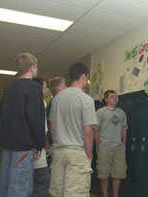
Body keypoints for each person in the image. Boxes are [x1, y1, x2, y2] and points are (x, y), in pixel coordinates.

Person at [0, 53, 45, 197]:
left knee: (4, 185)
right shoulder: (34, 88)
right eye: (36, 66)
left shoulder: (9, 87)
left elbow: (0, 116)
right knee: (19, 188)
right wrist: (39, 144)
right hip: (23, 147)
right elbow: (36, 118)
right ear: (32, 67)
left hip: (7, 146)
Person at [49, 62, 97, 197]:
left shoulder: (57, 99)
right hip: (77, 153)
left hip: (58, 152)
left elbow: (52, 126)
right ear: (83, 76)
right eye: (87, 77)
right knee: (76, 193)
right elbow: (88, 131)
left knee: (57, 193)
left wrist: (57, 145)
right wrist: (88, 156)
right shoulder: (86, 99)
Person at [94, 90, 128, 197]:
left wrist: (124, 144)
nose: (115, 98)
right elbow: (95, 130)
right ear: (106, 99)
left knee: (118, 173)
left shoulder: (121, 113)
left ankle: (115, 195)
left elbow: (124, 129)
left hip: (118, 148)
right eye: (112, 96)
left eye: (115, 96)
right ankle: (105, 195)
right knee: (103, 174)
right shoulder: (100, 112)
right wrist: (99, 145)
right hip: (104, 147)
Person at [31, 78, 50, 197]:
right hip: (38, 153)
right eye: (46, 86)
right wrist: (48, 148)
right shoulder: (41, 102)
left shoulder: (29, 101)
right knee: (42, 183)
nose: (48, 89)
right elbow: (41, 130)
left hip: (26, 152)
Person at [45, 77, 67, 145]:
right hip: (55, 142)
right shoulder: (54, 104)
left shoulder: (56, 102)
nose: (67, 87)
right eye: (65, 85)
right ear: (58, 88)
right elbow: (52, 125)